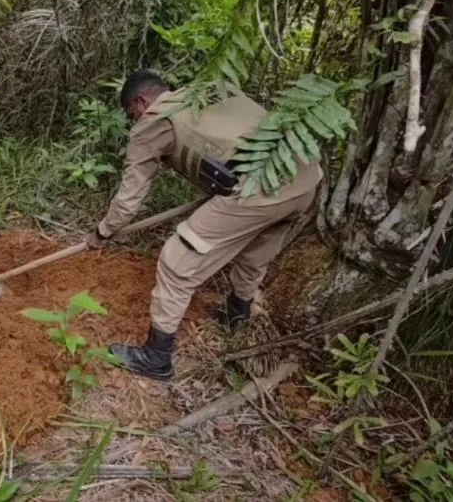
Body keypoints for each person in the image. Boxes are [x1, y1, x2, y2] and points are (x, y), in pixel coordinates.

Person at [87, 71, 322, 381]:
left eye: (133, 115)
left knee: (176, 261)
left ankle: (155, 358)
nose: (136, 121)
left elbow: (130, 197)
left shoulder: (155, 119)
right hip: (306, 178)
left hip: (259, 186)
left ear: (142, 102)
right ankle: (237, 318)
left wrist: (103, 231)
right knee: (254, 254)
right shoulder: (212, 86)